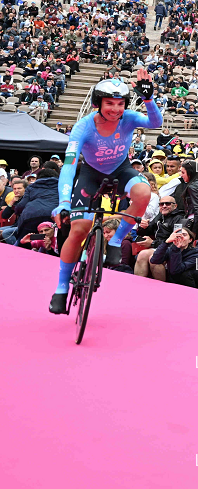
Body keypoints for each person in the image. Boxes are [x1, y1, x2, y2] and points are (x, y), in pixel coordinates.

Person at [49, 71, 161, 315]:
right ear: (97, 103)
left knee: (144, 193)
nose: (115, 109)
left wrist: (149, 99)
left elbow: (155, 123)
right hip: (90, 175)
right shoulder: (83, 127)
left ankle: (117, 241)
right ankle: (61, 288)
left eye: (120, 104)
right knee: (79, 229)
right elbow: (69, 166)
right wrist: (64, 202)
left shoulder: (128, 118)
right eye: (109, 103)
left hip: (121, 170)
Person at [149, 225, 198, 290]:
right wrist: (166, 242)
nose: (181, 237)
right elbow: (154, 260)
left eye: (184, 235)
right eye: (178, 235)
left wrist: (176, 249)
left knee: (184, 274)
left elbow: (175, 271)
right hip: (174, 285)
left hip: (191, 287)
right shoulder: (171, 250)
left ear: (190, 240)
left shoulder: (195, 255)